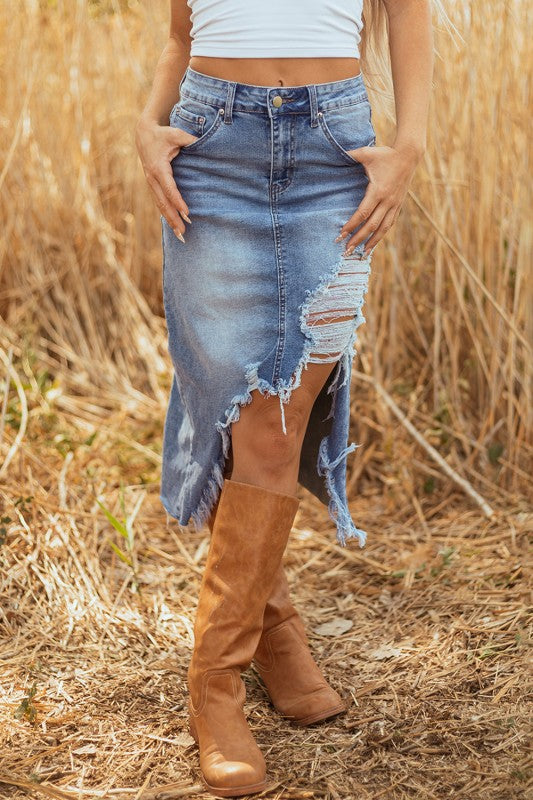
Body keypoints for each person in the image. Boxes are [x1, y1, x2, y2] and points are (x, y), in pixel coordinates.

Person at [135, 0, 435, 795]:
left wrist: (408, 146)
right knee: (238, 404)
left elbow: (406, 13)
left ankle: (237, 661)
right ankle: (234, 670)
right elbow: (179, 34)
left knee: (280, 420)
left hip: (334, 154)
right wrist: (143, 122)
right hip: (210, 148)